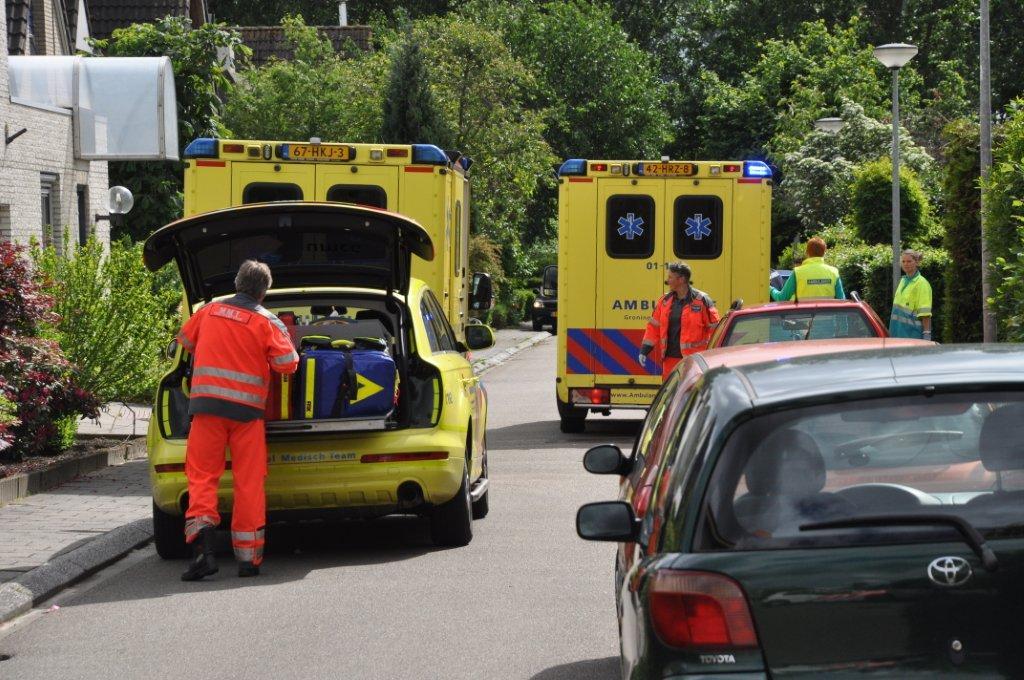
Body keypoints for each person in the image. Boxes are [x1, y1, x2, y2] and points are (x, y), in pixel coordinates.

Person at [176, 260, 299, 581]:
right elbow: (288, 364)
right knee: (249, 483)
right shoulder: (266, 321)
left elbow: (185, 342)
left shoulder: (208, 312)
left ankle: (203, 553)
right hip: (247, 416)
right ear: (264, 292)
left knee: (202, 478)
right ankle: (248, 560)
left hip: (207, 410)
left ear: (236, 283)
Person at [638, 262, 720, 379]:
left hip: (694, 360)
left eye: (670, 277)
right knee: (670, 390)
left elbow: (716, 329)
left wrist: (714, 356)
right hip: (669, 360)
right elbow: (654, 327)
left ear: (681, 279)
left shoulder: (702, 301)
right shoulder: (665, 301)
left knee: (692, 389)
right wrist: (644, 350)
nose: (667, 281)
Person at [770, 237, 845, 301]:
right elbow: (842, 301)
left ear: (807, 252)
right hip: (827, 314)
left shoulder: (797, 272)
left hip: (802, 314)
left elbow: (782, 298)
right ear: (825, 252)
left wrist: (770, 288)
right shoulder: (834, 272)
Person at [889, 249, 933, 340]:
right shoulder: (903, 280)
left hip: (913, 336)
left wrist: (927, 334)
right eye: (903, 261)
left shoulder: (922, 284)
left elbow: (925, 314)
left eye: (909, 261)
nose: (906, 264)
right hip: (896, 334)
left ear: (916, 262)